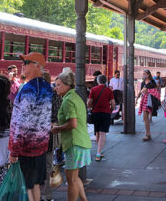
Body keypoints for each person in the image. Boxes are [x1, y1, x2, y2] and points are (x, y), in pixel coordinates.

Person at [8, 52, 53, 201]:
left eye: (26, 63)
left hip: (26, 148)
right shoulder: (47, 87)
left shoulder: (28, 89)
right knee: (35, 185)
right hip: (40, 146)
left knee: (27, 186)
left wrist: (14, 150)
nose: (22, 66)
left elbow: (23, 123)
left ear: (38, 66)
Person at [52, 68, 91, 201]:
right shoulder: (74, 96)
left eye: (58, 85)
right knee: (74, 177)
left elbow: (72, 124)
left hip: (74, 143)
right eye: (55, 85)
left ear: (67, 85)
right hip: (81, 141)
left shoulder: (68, 100)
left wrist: (57, 128)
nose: (56, 88)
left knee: (71, 179)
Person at [43, 71, 63, 201]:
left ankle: (33, 194)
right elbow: (58, 115)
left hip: (32, 138)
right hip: (48, 135)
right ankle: (47, 195)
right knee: (47, 166)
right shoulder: (55, 95)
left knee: (32, 168)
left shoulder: (32, 95)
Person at [87, 74, 115, 161]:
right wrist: (111, 110)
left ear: (98, 81)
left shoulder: (93, 90)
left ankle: (99, 151)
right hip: (106, 113)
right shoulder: (109, 90)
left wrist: (91, 107)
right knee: (103, 133)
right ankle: (98, 153)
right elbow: (113, 103)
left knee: (97, 132)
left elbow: (89, 103)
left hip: (96, 113)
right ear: (105, 81)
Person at [136, 69, 160, 141]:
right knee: (145, 118)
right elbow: (141, 91)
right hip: (144, 100)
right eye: (143, 74)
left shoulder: (152, 82)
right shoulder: (143, 82)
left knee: (145, 117)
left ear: (148, 75)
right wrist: (137, 99)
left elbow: (156, 91)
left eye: (144, 74)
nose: (143, 75)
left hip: (149, 100)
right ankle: (148, 134)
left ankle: (148, 134)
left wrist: (147, 90)